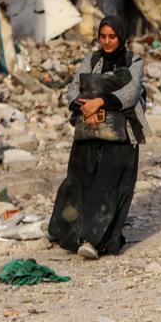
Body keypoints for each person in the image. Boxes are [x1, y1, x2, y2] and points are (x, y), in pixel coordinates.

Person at [48, 16, 147, 260]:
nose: (107, 41)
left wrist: (101, 101)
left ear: (121, 37)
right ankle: (65, 232)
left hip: (121, 135)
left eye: (112, 36)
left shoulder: (134, 62)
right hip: (89, 131)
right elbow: (73, 87)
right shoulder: (92, 60)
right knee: (78, 181)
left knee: (108, 187)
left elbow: (131, 92)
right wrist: (83, 106)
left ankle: (94, 240)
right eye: (103, 36)